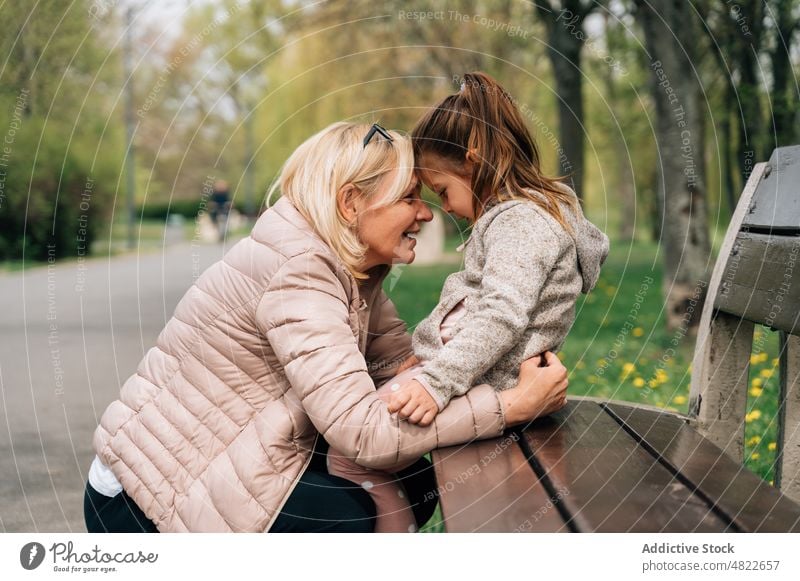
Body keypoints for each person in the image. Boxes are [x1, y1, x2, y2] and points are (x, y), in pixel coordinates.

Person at [84, 121, 569, 533]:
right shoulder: (301, 272)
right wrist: (509, 405)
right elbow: (366, 434)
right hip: (144, 495)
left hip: (244, 453)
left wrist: (461, 364)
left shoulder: (351, 268)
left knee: (417, 485)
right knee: (347, 517)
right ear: (350, 203)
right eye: (408, 198)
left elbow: (396, 368)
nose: (426, 212)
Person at [327, 73, 609, 532]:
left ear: (474, 162)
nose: (447, 208)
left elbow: (501, 314)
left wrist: (436, 380)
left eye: (443, 191)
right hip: (471, 377)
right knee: (359, 450)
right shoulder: (523, 215)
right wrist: (424, 357)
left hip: (478, 384)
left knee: (350, 454)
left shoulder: (521, 223)